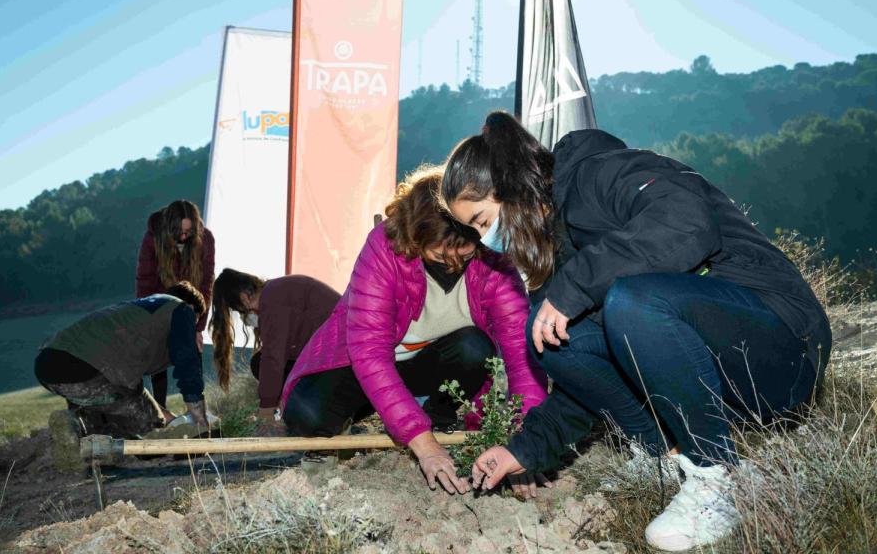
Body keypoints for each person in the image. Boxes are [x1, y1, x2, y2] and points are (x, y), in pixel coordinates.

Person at [441, 112, 832, 551]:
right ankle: (664, 454)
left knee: (632, 300)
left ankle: (719, 477)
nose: (484, 239)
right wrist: (526, 449)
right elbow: (587, 371)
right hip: (723, 381)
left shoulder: (599, 172)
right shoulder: (558, 246)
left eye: (481, 221)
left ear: (509, 186)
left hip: (783, 349)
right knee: (549, 335)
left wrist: (579, 284)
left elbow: (687, 221)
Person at [278, 167, 548, 495]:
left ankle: (437, 415)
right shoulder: (384, 248)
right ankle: (369, 421)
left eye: (464, 252)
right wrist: (425, 448)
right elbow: (370, 354)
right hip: (363, 368)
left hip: (431, 368)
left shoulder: (494, 260)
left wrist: (529, 447)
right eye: (440, 254)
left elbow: (522, 358)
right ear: (416, 237)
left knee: (476, 349)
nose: (454, 264)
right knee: (306, 415)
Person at [35, 282, 213, 441]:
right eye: (194, 322)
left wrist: (170, 418)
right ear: (190, 308)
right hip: (87, 369)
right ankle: (78, 429)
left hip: (50, 364)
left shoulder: (137, 313)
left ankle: (77, 427)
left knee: (104, 426)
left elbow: (135, 390)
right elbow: (187, 363)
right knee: (152, 435)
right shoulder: (181, 309)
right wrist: (200, 419)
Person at [210, 268, 341, 435]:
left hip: (341, 360)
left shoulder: (273, 299)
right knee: (259, 362)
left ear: (244, 298)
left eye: (239, 311)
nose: (244, 318)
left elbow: (273, 358)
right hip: (330, 355)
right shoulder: (277, 292)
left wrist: (265, 412)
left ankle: (315, 416)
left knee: (265, 364)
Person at [136, 199, 216, 420]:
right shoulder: (152, 238)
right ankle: (159, 412)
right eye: (179, 231)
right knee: (158, 357)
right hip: (160, 304)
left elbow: (207, 283)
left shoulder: (206, 238)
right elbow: (145, 280)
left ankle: (198, 412)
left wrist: (199, 327)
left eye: (188, 232)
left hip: (191, 306)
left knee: (192, 351)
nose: (183, 236)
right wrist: (147, 319)